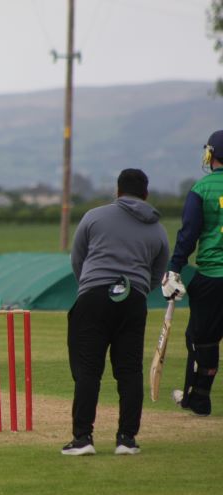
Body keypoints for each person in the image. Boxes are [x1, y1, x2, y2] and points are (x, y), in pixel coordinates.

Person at [62, 169, 169, 456]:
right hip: (134, 299)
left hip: (94, 296)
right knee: (130, 370)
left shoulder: (94, 217)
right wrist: (137, 291)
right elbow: (158, 272)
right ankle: (126, 439)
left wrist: (88, 286)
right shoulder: (158, 229)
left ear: (117, 191)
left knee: (88, 370)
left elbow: (77, 258)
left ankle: (83, 438)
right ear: (145, 194)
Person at [165, 130, 223, 417]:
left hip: (213, 275)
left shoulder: (202, 188)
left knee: (202, 339)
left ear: (210, 154)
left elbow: (189, 234)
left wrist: (174, 267)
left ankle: (198, 398)